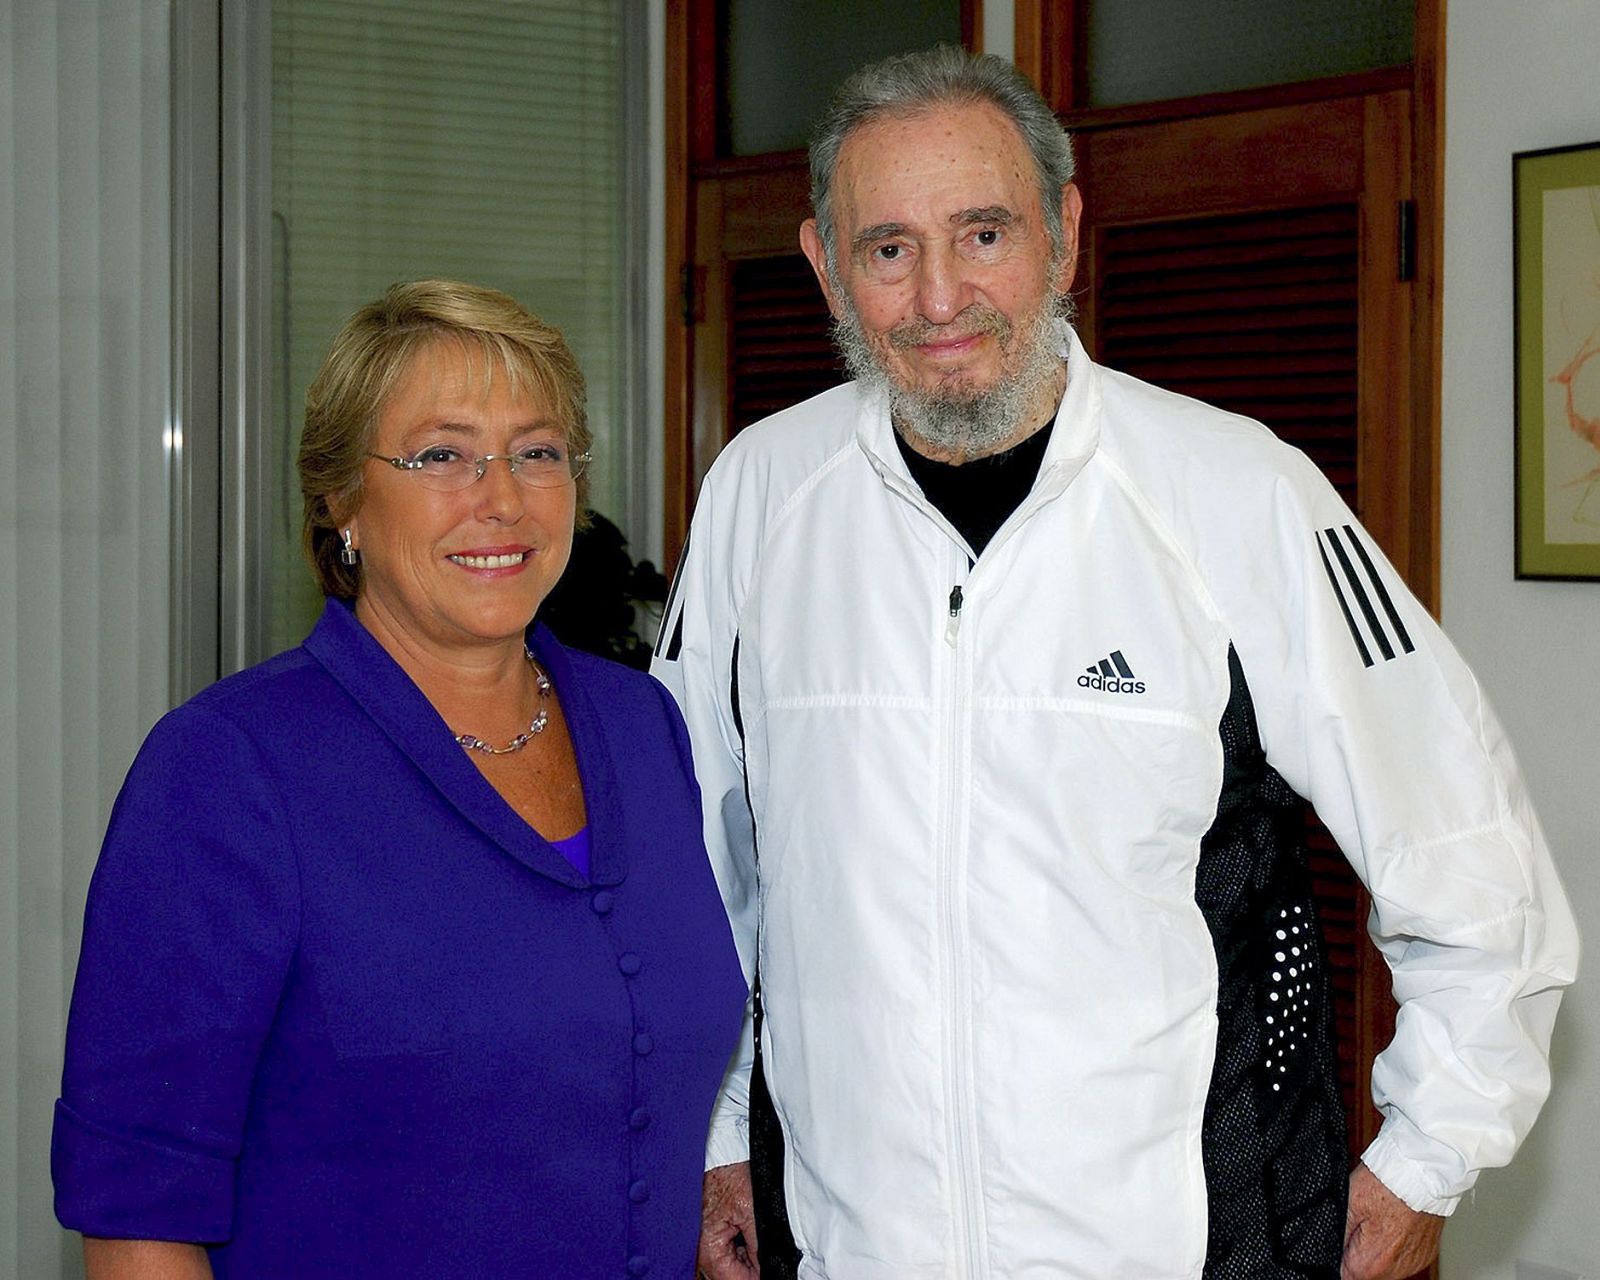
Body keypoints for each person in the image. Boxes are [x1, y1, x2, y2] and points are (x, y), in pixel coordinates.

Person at [653, 47, 1580, 1280]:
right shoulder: (759, 494)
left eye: (982, 234)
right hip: (845, 1244)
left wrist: (1427, 1157)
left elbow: (1472, 862)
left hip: (1188, 1245)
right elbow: (697, 867)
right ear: (824, 263)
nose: (938, 296)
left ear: (1064, 232)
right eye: (887, 248)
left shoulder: (1238, 490)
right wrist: (718, 1136)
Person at [52, 279, 746, 1278]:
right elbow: (135, 1211)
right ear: (341, 501)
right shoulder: (229, 771)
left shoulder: (643, 728)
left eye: (537, 451)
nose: (500, 496)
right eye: (441, 454)